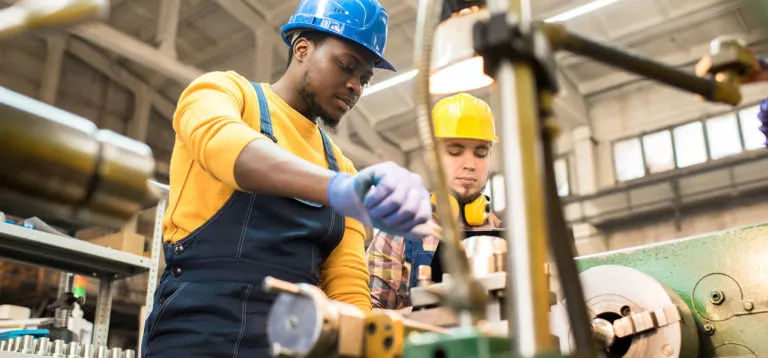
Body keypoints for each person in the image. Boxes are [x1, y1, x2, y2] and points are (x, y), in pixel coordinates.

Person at [140, 0, 432, 356]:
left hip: (293, 342)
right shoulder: (226, 94)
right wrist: (334, 189)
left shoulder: (344, 168)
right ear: (303, 49)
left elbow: (348, 291)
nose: (355, 86)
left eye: (365, 79)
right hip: (197, 332)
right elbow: (225, 146)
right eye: (346, 66)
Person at [366, 93, 503, 310]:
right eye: (455, 151)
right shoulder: (396, 234)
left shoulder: (500, 235)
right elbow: (371, 320)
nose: (470, 164)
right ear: (431, 157)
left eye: (481, 152)